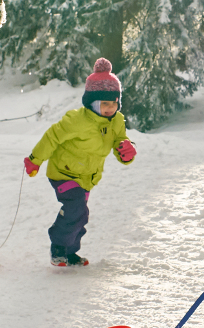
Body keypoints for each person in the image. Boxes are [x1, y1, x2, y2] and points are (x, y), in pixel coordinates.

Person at [25, 58, 138, 267]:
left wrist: (126, 150)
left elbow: (119, 142)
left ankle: (70, 252)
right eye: (105, 104)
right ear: (93, 102)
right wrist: (35, 160)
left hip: (87, 177)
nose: (110, 108)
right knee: (75, 208)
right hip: (63, 173)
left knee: (81, 214)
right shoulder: (77, 120)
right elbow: (52, 137)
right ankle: (58, 246)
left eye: (114, 103)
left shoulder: (117, 121)